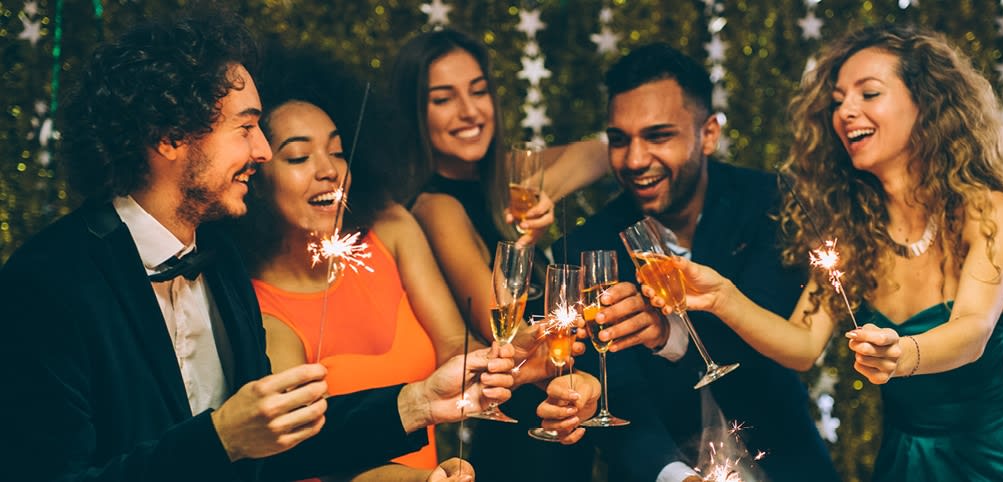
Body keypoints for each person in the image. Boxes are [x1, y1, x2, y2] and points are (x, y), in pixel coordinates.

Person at [0, 13, 515, 482]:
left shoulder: (221, 259)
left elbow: (278, 442)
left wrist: (416, 403)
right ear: (171, 138)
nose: (261, 151)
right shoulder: (48, 284)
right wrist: (220, 440)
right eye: (246, 128)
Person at [642, 25, 1003, 481]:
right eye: (839, 100)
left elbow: (973, 332)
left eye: (869, 93)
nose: (846, 112)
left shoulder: (989, 210)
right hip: (904, 463)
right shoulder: (852, 228)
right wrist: (722, 296)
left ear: (929, 102)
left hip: (997, 462)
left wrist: (901, 353)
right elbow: (802, 346)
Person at [554, 43, 840, 482]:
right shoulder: (587, 246)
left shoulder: (772, 202)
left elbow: (764, 342)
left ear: (708, 134)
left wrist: (668, 333)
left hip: (786, 464)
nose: (634, 160)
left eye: (658, 136)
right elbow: (613, 395)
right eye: (619, 140)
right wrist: (674, 475)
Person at [233, 45, 483, 481]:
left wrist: (515, 365)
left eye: (337, 150)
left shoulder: (391, 229)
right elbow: (313, 460)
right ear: (254, 176)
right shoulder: (260, 312)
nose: (330, 170)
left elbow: (454, 346)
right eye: (298, 157)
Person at [389, 28, 604, 481]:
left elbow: (603, 154)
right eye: (443, 98)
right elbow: (499, 321)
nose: (469, 111)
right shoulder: (436, 205)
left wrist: (541, 191)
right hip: (520, 421)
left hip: (557, 402)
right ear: (415, 112)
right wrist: (525, 241)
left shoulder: (502, 179)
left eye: (479, 91)